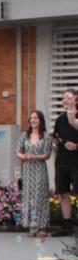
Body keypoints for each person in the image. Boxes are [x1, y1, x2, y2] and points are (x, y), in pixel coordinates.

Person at [16, 110, 52, 237]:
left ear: (40, 120)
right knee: (29, 197)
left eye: (36, 118)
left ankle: (42, 227)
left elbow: (47, 154)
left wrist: (35, 156)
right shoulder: (24, 136)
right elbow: (18, 152)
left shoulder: (46, 136)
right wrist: (25, 156)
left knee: (39, 197)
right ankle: (32, 226)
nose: (33, 120)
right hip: (27, 170)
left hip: (40, 170)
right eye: (31, 118)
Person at [52, 88, 78, 232]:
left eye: (68, 97)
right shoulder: (60, 119)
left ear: (75, 99)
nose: (65, 100)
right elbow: (56, 137)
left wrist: (76, 146)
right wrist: (57, 142)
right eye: (64, 97)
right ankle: (66, 225)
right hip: (62, 161)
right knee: (63, 193)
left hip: (76, 162)